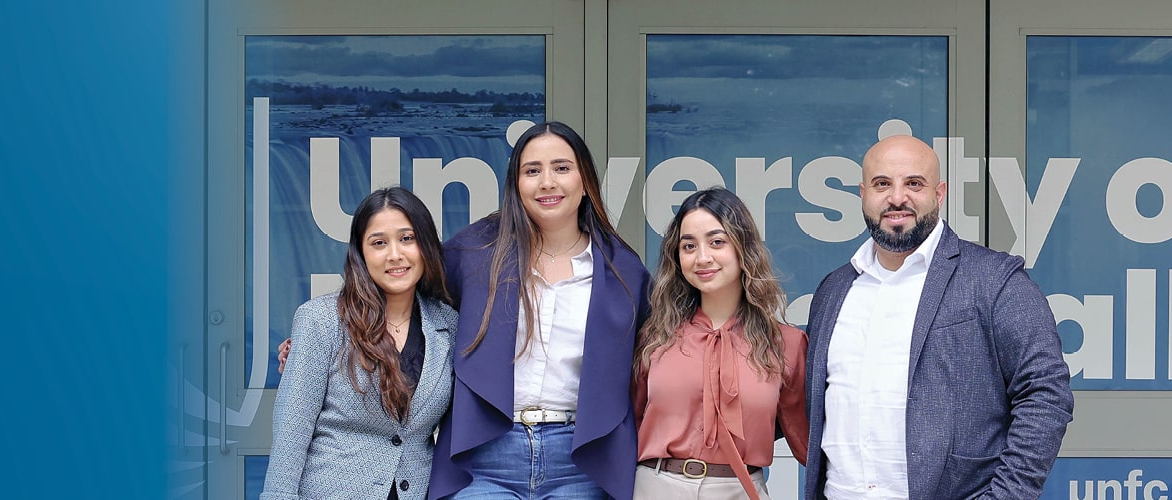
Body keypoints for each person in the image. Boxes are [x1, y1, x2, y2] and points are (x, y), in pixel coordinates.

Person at [802, 135, 1074, 499]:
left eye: (914, 183)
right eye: (883, 184)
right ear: (863, 194)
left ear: (940, 193)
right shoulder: (834, 290)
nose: (897, 197)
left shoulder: (995, 279)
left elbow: (1046, 392)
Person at [430, 121, 651, 499]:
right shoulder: (474, 252)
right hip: (484, 456)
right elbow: (405, 304)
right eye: (532, 171)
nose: (547, 182)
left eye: (561, 168)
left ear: (585, 183)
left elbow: (662, 352)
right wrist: (334, 338)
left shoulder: (623, 270)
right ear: (516, 185)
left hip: (581, 461)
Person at [262, 186, 458, 500]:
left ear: (426, 246)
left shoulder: (448, 324)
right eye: (379, 243)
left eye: (407, 239)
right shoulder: (320, 319)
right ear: (361, 253)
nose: (395, 254)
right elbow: (291, 432)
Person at [631, 187, 807, 500]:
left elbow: (805, 439)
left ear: (743, 249)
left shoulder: (786, 344)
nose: (702, 258)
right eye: (688, 246)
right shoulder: (654, 337)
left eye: (717, 242)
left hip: (740, 488)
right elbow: (629, 423)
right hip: (656, 487)